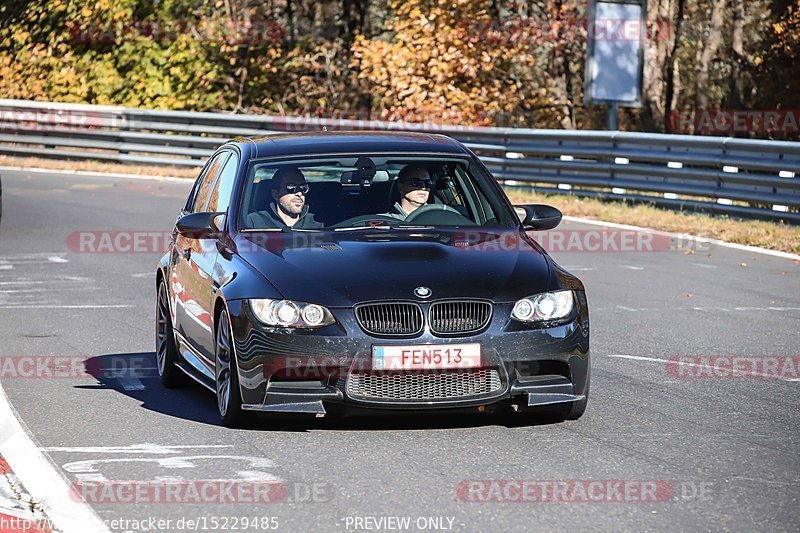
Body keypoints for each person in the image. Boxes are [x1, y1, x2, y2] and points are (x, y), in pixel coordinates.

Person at [246, 167, 323, 229]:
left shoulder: (317, 224)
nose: (299, 193)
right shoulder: (254, 222)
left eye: (303, 188)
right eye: (291, 187)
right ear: (275, 194)